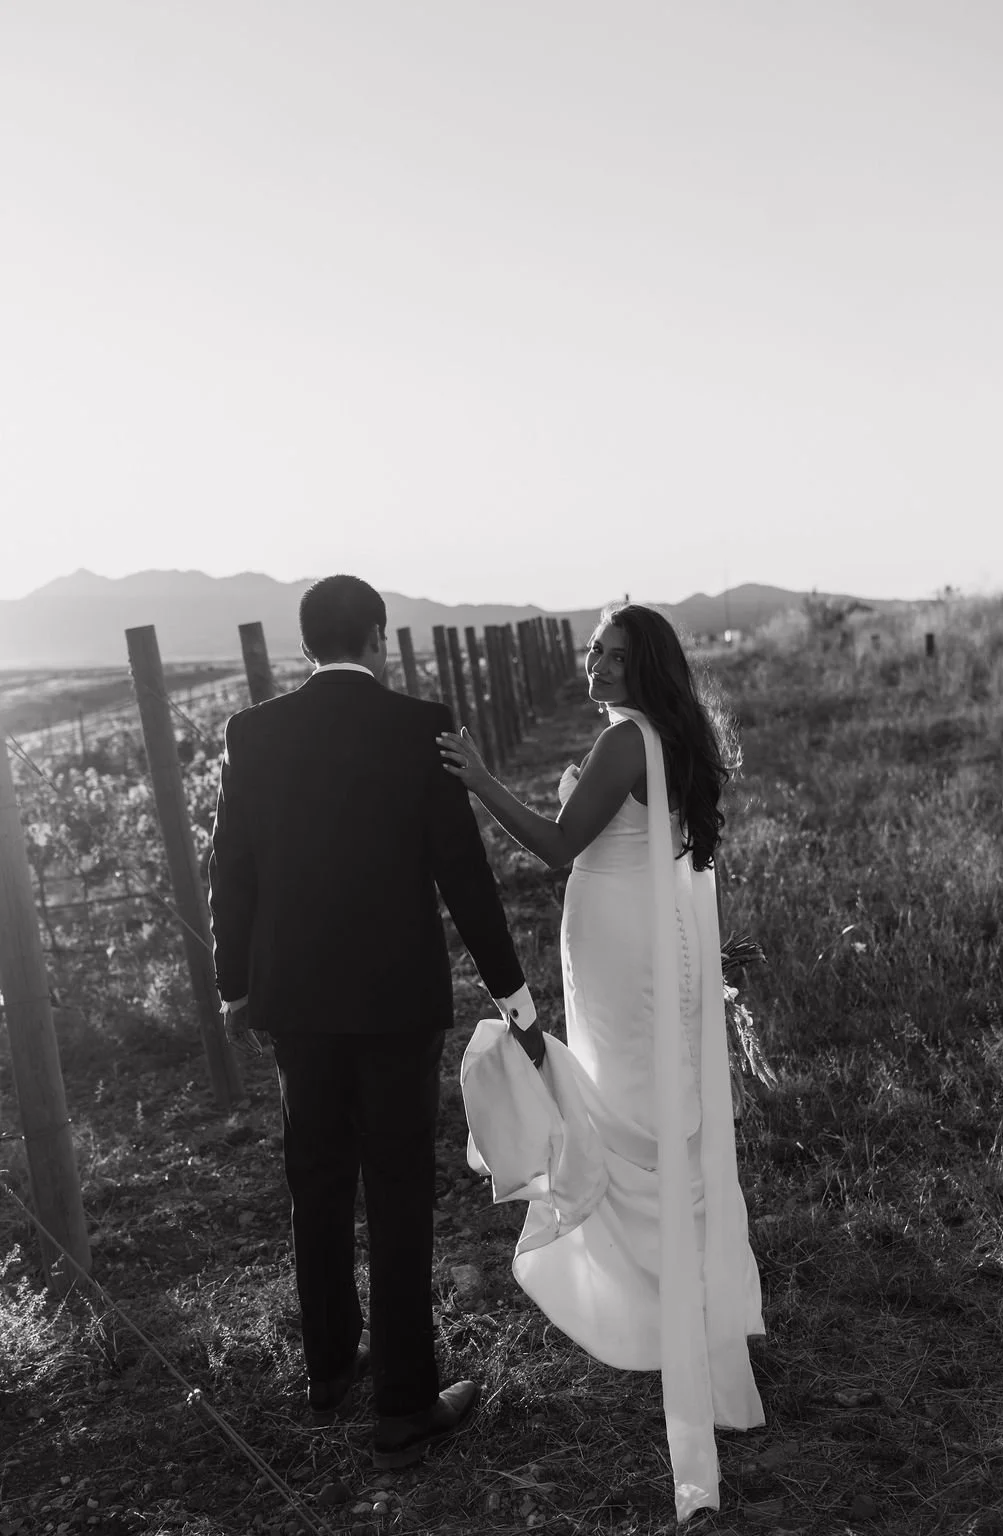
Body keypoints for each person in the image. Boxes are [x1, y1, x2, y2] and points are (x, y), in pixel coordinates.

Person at [208, 574, 541, 1470]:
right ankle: (403, 1402)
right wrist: (512, 994)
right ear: (378, 638)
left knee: (314, 1180)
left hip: (296, 1002)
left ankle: (328, 1369)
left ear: (305, 645)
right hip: (397, 1002)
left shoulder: (252, 732)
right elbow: (462, 871)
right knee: (398, 1189)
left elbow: (230, 867)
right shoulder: (420, 725)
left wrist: (234, 984)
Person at [441, 603, 765, 1522]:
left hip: (627, 954)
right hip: (648, 942)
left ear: (645, 666)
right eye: (595, 651)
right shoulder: (663, 735)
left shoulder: (627, 740)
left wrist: (480, 780)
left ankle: (666, 1313)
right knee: (658, 1118)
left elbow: (555, 847)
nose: (598, 665)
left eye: (617, 656)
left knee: (632, 1119)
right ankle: (687, 1313)